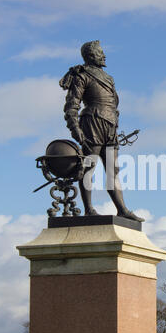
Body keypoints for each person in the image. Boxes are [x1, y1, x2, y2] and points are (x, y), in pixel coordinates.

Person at [59, 40, 144, 222]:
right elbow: (71, 106)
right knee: (89, 168)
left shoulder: (109, 78)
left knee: (113, 170)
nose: (104, 55)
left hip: (110, 125)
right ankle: (89, 209)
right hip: (92, 123)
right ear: (91, 56)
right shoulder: (82, 76)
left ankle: (122, 209)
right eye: (100, 52)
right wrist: (75, 129)